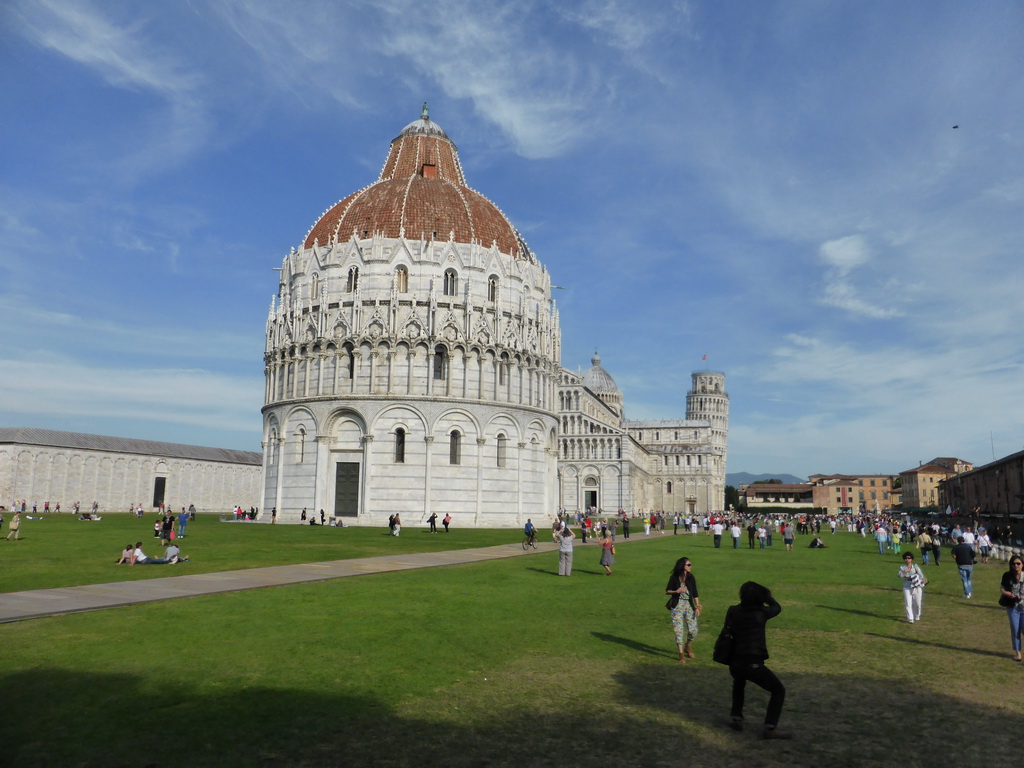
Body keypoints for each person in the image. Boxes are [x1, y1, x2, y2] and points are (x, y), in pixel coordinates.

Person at [722, 582, 789, 739]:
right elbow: (777, 607)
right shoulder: (761, 613)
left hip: (735, 661)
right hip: (753, 662)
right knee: (778, 690)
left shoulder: (733, 611)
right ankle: (770, 727)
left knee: (739, 683)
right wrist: (768, 597)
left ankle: (736, 717)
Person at [665, 557, 701, 662]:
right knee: (678, 630)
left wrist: (697, 606)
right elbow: (667, 591)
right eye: (688, 565)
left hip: (689, 605)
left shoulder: (691, 577)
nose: (690, 567)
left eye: (690, 565)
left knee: (693, 630)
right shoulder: (674, 578)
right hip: (677, 605)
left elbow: (695, 593)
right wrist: (677, 591)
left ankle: (687, 646)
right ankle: (681, 653)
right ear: (683, 566)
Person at [999, 555, 1024, 662]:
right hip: (1012, 607)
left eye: (1018, 563)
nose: (1016, 566)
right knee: (1015, 629)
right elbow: (1002, 588)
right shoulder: (1007, 575)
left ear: (1022, 565)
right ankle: (1018, 653)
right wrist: (1007, 593)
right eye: (1013, 564)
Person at [898, 552, 926, 623]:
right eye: (906, 558)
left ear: (911, 559)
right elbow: (900, 576)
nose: (907, 560)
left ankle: (917, 615)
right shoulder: (902, 568)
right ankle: (910, 618)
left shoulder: (915, 566)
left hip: (916, 587)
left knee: (917, 603)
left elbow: (921, 575)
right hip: (907, 587)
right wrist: (904, 572)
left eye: (909, 558)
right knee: (908, 603)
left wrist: (915, 575)